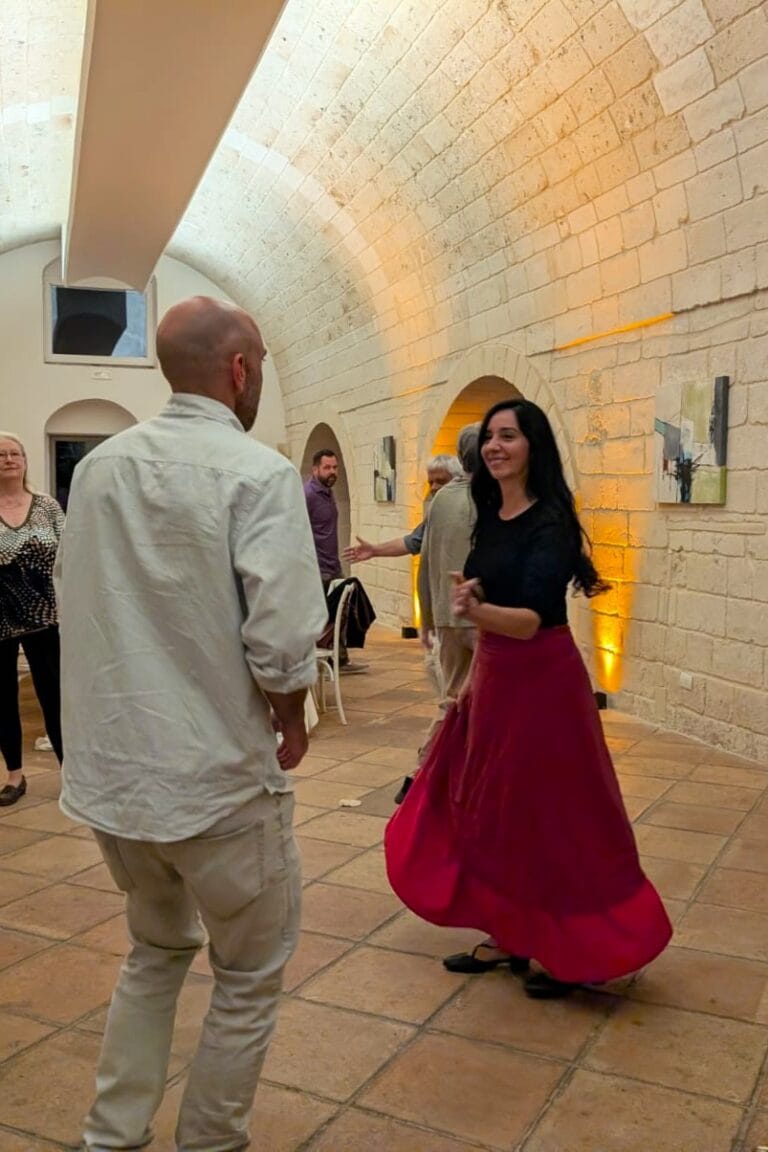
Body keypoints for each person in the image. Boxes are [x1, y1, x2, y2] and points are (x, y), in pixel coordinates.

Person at [55, 297, 328, 1151]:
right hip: (215, 778)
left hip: (116, 777)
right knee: (246, 975)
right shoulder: (256, 471)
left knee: (154, 951)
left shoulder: (98, 468)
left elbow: (84, 598)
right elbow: (283, 635)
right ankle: (210, 1142)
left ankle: (113, 1135)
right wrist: (290, 715)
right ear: (240, 369)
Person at [385, 399, 672, 1000]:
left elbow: (534, 619)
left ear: (533, 447)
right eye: (489, 437)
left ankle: (571, 945)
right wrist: (471, 650)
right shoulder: (491, 511)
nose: (494, 447)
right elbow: (492, 591)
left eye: (508, 436)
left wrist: (475, 609)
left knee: (551, 814)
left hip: (542, 684)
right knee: (494, 811)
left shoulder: (551, 524)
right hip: (494, 678)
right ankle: (509, 933)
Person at [389, 424, 480, 806]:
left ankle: (454, 777)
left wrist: (426, 617)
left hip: (446, 615)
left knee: (457, 698)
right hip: (480, 617)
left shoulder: (439, 501)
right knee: (459, 700)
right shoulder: (487, 499)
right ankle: (422, 774)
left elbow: (424, 563)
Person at [0, 432, 64, 807]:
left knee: (55, 696)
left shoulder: (47, 507)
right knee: (2, 698)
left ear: (25, 461)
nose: (9, 459)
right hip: (0, 622)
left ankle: (69, 772)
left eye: (15, 453)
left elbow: (70, 557)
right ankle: (14, 775)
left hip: (47, 617)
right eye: (2, 454)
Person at [304, 449, 366, 673]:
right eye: (327, 467)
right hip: (318, 568)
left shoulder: (328, 493)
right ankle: (325, 660)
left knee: (341, 612)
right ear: (315, 469)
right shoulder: (308, 495)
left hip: (333, 564)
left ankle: (340, 660)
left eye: (335, 467)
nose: (332, 472)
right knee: (325, 616)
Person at [343, 454, 462, 564]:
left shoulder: (468, 509)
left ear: (457, 480)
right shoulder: (436, 513)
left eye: (441, 481)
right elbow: (412, 542)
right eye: (431, 483)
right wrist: (374, 550)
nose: (434, 487)